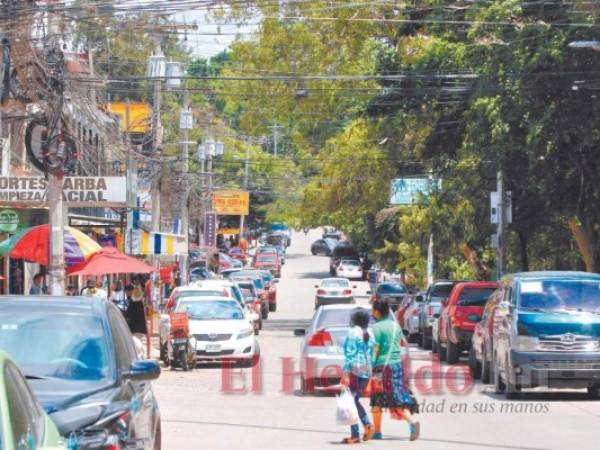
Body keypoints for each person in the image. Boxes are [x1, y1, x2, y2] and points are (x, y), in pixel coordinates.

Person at [370, 298, 419, 441]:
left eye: (373, 310)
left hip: (382, 367)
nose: (373, 313)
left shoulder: (376, 327)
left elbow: (376, 349)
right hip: (397, 365)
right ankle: (409, 422)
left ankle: (378, 431)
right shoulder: (395, 326)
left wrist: (371, 366)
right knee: (396, 397)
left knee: (377, 399)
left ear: (377, 311)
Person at [340, 308, 375, 444]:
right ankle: (367, 425)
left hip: (355, 371)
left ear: (355, 320)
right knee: (354, 401)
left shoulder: (353, 332)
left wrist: (345, 373)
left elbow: (350, 355)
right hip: (366, 372)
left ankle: (356, 433)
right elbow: (371, 354)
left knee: (350, 402)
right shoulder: (370, 333)